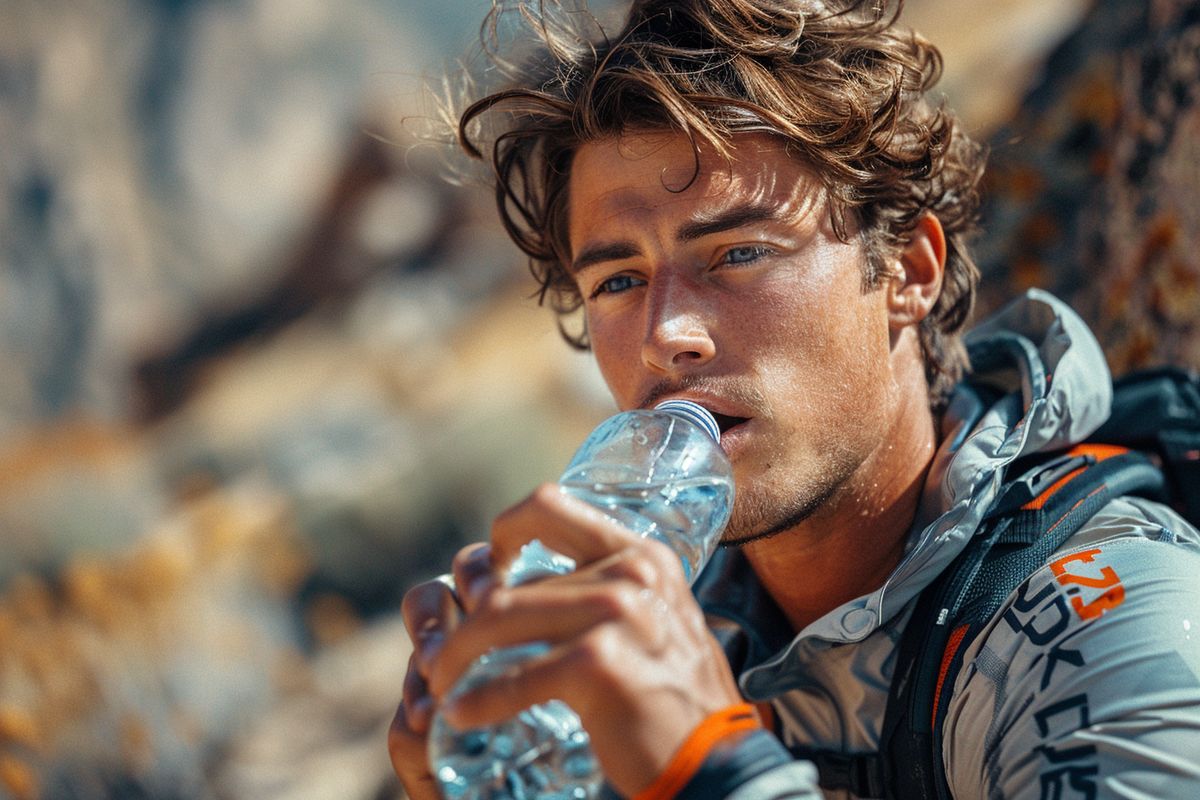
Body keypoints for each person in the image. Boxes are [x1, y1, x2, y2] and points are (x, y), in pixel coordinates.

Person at [387, 1, 1200, 797]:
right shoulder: (668, 634)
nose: (667, 334)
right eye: (620, 280)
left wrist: (711, 769)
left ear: (909, 273)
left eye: (739, 252)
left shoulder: (1103, 621)